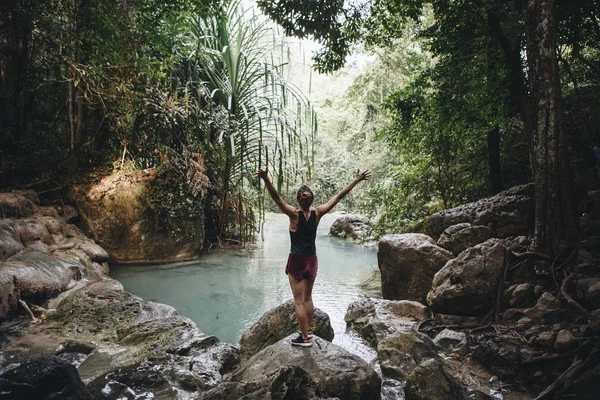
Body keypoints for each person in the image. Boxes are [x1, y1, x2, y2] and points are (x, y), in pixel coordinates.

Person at [257, 168, 371, 346]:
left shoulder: (294, 215)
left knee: (299, 301)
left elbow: (276, 197)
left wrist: (265, 178)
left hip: (296, 260)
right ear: (311, 200)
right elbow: (339, 196)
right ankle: (308, 330)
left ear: (297, 200)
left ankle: (305, 337)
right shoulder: (318, 213)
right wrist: (356, 180)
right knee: (308, 298)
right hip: (312, 260)